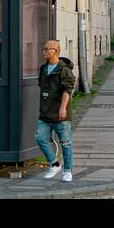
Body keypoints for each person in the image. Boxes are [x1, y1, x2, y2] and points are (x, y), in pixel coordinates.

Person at [36, 40, 76, 182]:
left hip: (60, 114)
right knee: (40, 138)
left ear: (56, 51)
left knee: (65, 143)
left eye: (48, 49)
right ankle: (55, 164)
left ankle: (67, 171)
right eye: (44, 48)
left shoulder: (64, 70)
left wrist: (63, 107)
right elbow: (42, 86)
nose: (45, 51)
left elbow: (67, 90)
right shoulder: (43, 69)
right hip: (45, 113)